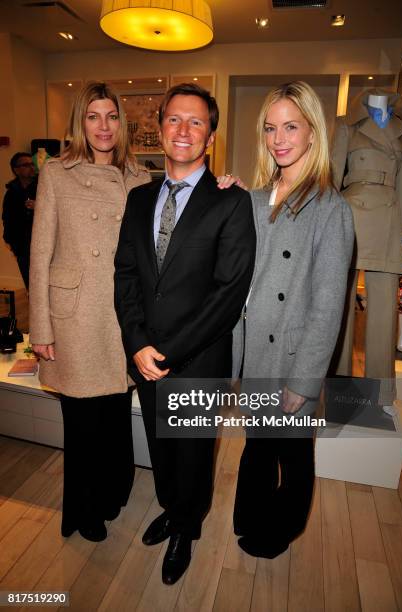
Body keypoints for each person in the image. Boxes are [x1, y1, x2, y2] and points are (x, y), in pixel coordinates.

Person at [114, 83, 256, 584]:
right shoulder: (138, 198)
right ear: (159, 126)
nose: (184, 130)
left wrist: (170, 350)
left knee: (193, 449)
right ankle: (172, 509)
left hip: (197, 356)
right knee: (159, 443)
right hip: (145, 353)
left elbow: (228, 292)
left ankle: (186, 530)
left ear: (211, 136)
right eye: (175, 119)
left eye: (196, 122)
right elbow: (127, 275)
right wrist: (137, 344)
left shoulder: (231, 202)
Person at [230, 81, 354, 559]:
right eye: (269, 128)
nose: (278, 138)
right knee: (258, 447)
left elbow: (328, 306)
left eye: (290, 127)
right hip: (255, 354)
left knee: (295, 455)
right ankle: (251, 517)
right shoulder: (256, 200)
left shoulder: (330, 208)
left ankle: (280, 529)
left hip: (293, 357)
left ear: (312, 134)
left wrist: (304, 381)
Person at [29, 81, 150, 542]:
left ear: (123, 123)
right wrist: (41, 325)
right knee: (82, 421)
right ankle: (85, 507)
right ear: (81, 122)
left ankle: (116, 488)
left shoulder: (139, 178)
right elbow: (40, 253)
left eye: (112, 116)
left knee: (117, 410)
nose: (103, 126)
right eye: (93, 116)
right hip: (75, 315)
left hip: (123, 315)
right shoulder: (58, 173)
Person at [2, 152, 37, 289]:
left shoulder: (42, 187)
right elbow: (7, 218)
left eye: (32, 164)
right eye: (26, 165)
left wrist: (39, 205)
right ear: (16, 170)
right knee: (30, 285)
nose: (31, 167)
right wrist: (10, 240)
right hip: (22, 247)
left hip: (42, 244)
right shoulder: (12, 192)